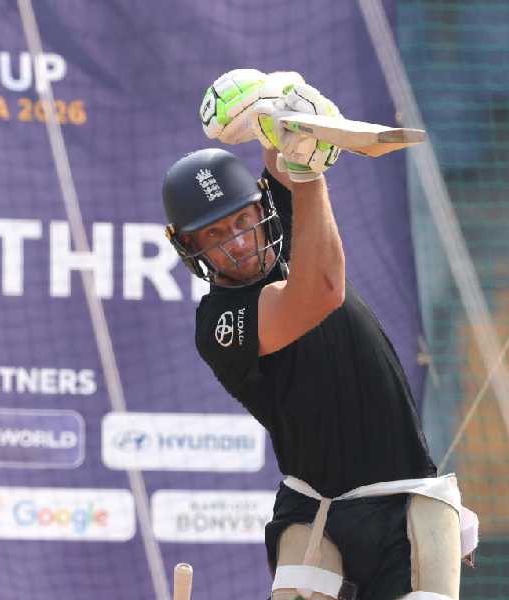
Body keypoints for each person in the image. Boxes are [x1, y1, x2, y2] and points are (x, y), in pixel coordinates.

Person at [162, 69, 478, 600]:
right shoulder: (219, 322)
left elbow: (280, 160)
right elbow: (321, 291)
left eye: (241, 220)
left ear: (261, 208)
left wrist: (278, 109)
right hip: (315, 511)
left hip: (406, 499)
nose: (236, 242)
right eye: (214, 234)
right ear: (189, 248)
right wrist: (308, 172)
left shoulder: (285, 229)